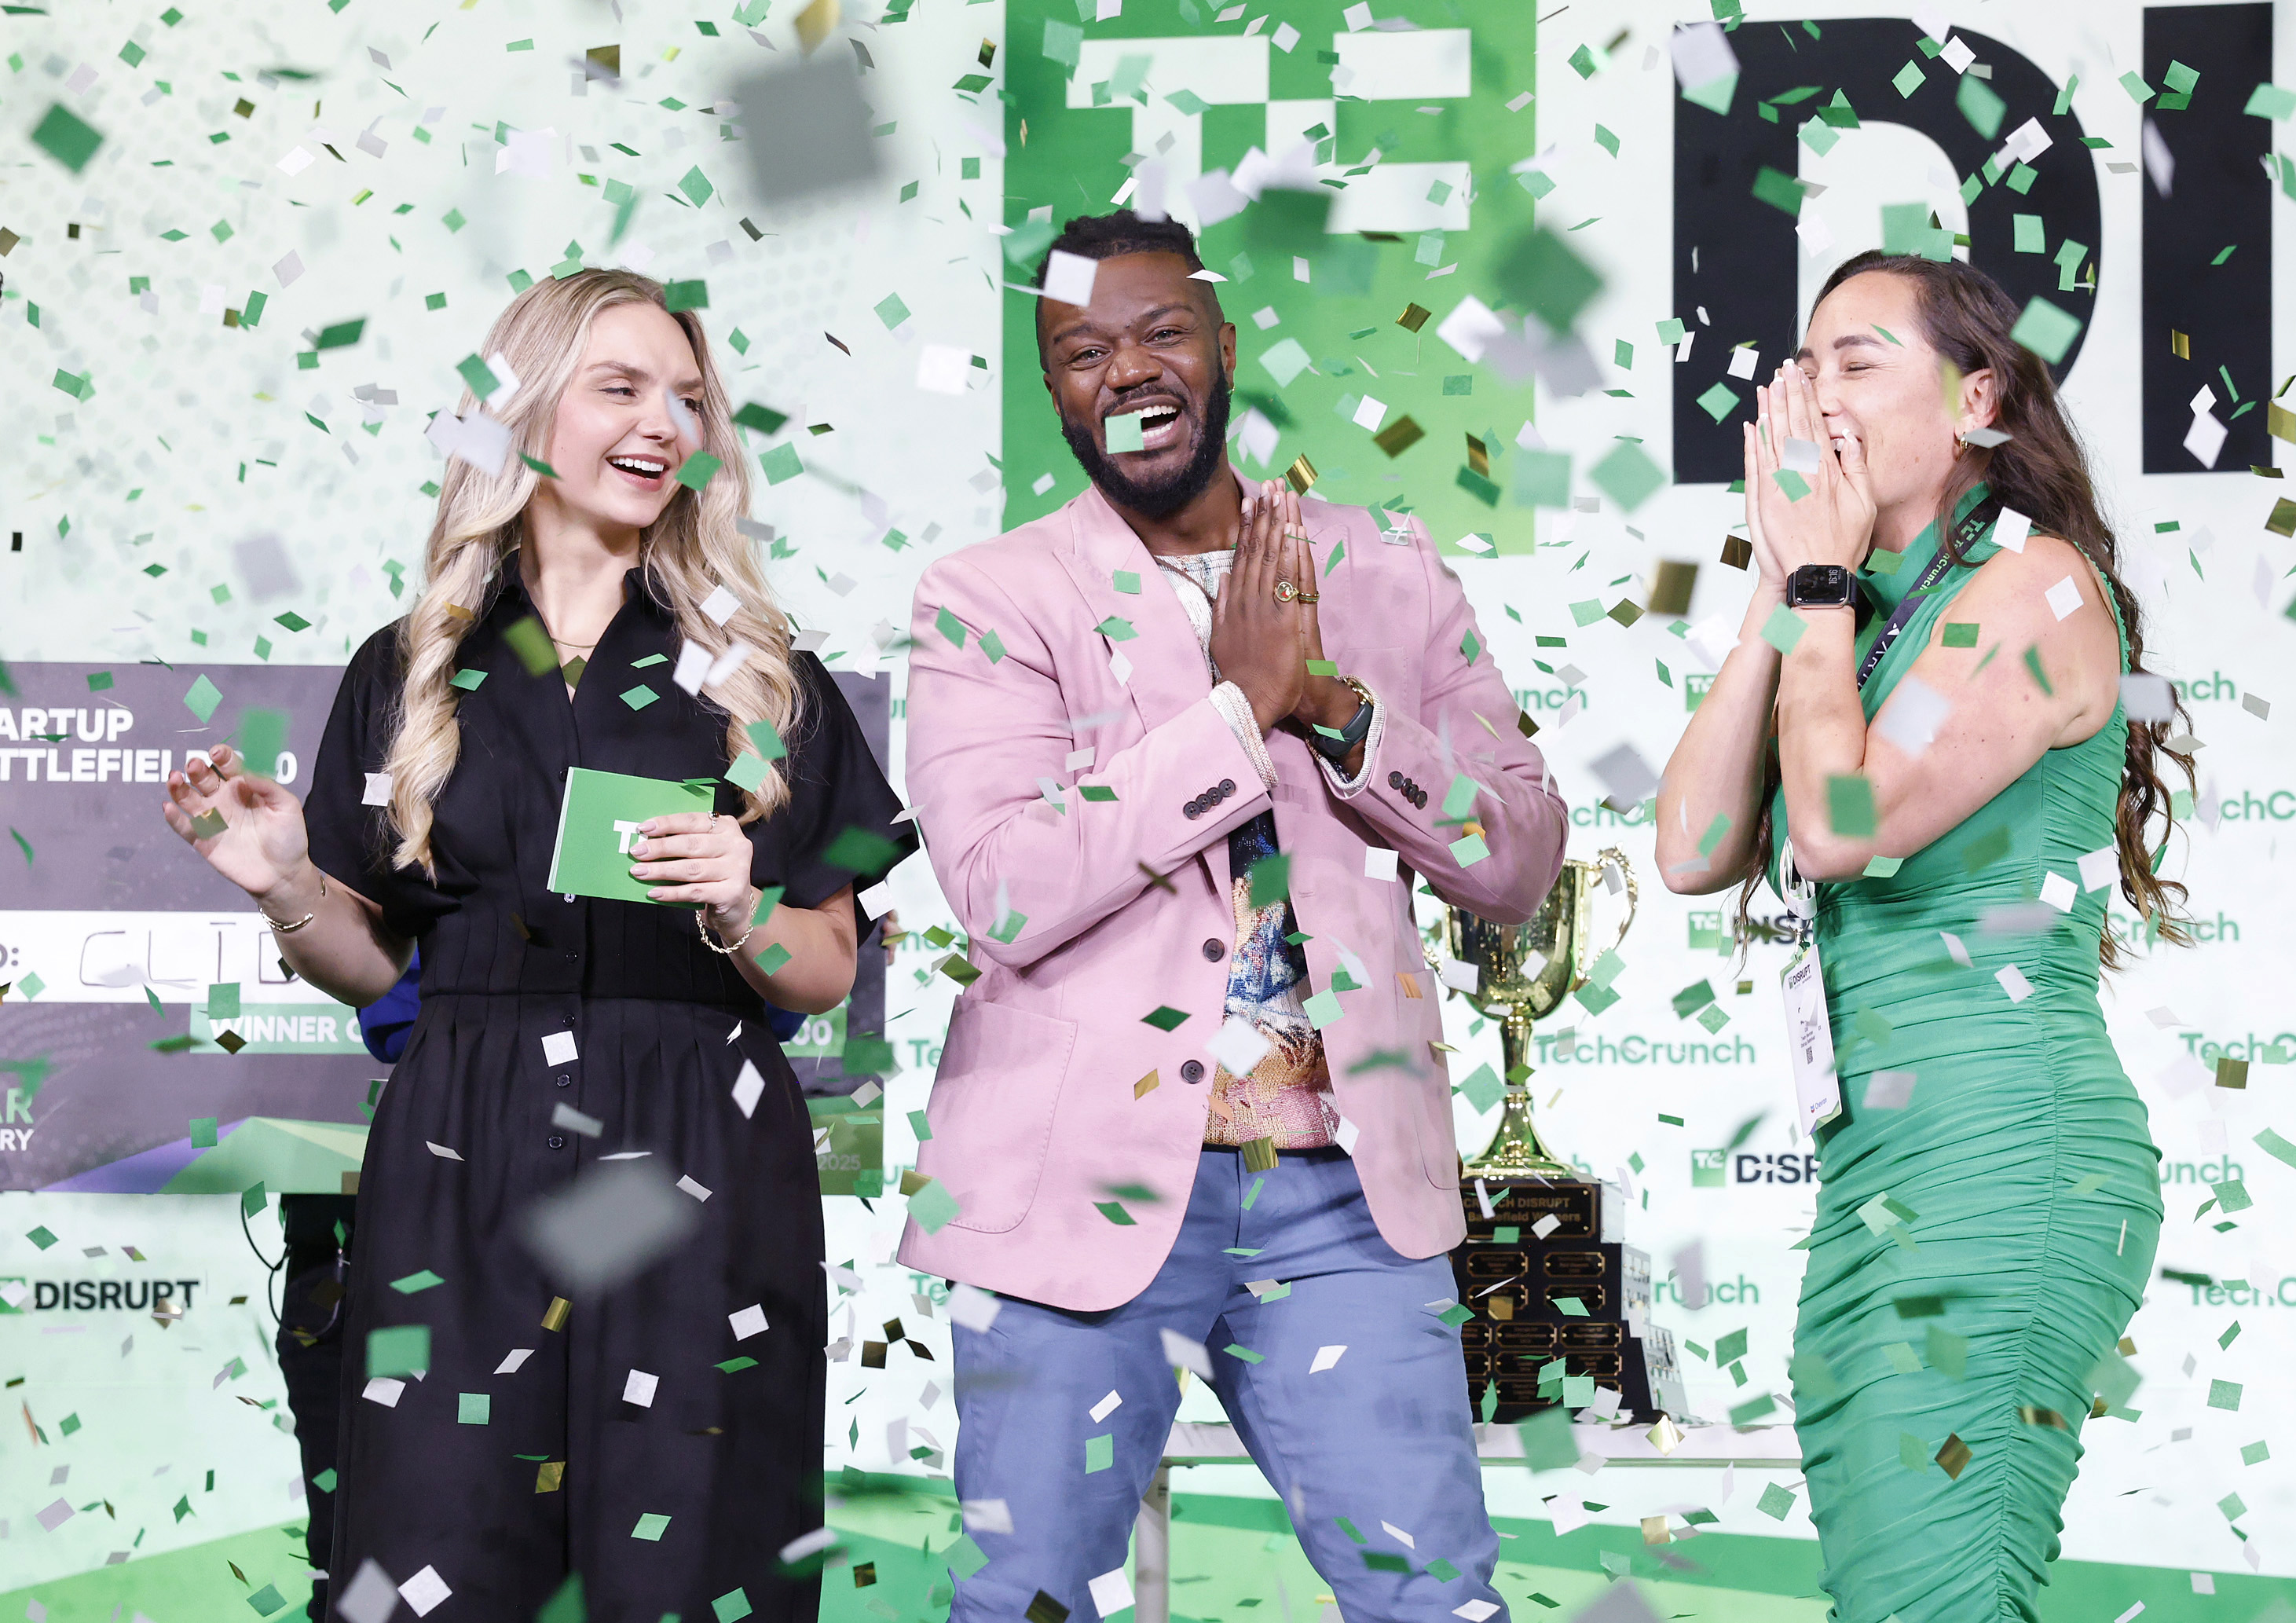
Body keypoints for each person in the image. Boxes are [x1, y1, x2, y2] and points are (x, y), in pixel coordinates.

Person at [163, 268, 915, 1620]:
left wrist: (744, 907)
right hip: (462, 1141)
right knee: (436, 1558)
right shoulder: (408, 667)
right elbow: (375, 964)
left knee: (692, 1564)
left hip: (693, 1153)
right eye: (620, 387)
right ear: (524, 415)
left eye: (687, 398)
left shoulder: (765, 674)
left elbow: (828, 966)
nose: (663, 423)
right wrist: (284, 885)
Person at [899, 210, 1568, 1619]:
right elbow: (1003, 888)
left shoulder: (1387, 566)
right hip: (1071, 1182)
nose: (1128, 370)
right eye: (1084, 350)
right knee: (1025, 1596)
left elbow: (1517, 856)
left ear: (1223, 344)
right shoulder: (988, 597)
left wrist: (1333, 707)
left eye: (1161, 332)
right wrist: (1236, 711)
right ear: (1052, 386)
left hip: (1344, 1192)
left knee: (1434, 1597)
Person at [1655, 250, 2191, 1621]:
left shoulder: (2036, 589)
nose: (1817, 393)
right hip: (1882, 1178)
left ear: (1979, 401)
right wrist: (1785, 584)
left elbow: (1841, 826)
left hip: (2001, 1165)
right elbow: (1694, 846)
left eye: (1859, 358)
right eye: (1805, 363)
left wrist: (1818, 580)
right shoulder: (1852, 608)